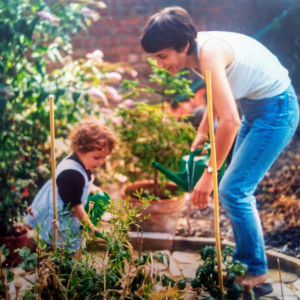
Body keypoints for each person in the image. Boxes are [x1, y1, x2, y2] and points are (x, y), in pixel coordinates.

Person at [140, 6, 299, 287]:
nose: (160, 65)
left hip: (277, 110)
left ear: (184, 45)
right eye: (155, 58)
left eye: (162, 56)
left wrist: (207, 176)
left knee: (233, 190)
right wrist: (202, 131)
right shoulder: (197, 53)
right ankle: (245, 260)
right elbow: (217, 97)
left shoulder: (208, 54)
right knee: (235, 190)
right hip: (257, 107)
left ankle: (256, 269)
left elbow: (230, 121)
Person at [27, 118, 117, 251]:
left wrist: (91, 188)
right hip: (59, 216)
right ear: (81, 150)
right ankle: (61, 264)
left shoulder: (80, 161)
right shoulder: (71, 174)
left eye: (104, 157)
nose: (100, 162)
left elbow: (79, 184)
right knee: (64, 247)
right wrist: (90, 226)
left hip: (64, 206)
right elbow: (75, 206)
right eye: (96, 158)